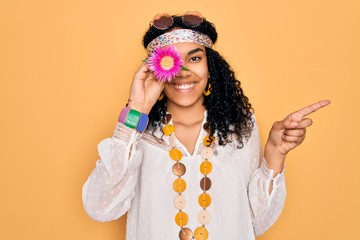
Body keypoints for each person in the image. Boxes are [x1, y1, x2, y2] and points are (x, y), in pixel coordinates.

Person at [82, 11, 330, 240]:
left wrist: (275, 155)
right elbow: (100, 208)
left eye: (195, 58)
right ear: (155, 68)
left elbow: (255, 221)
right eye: (171, 61)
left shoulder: (239, 127)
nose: (183, 71)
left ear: (210, 66)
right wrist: (136, 109)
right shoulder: (139, 135)